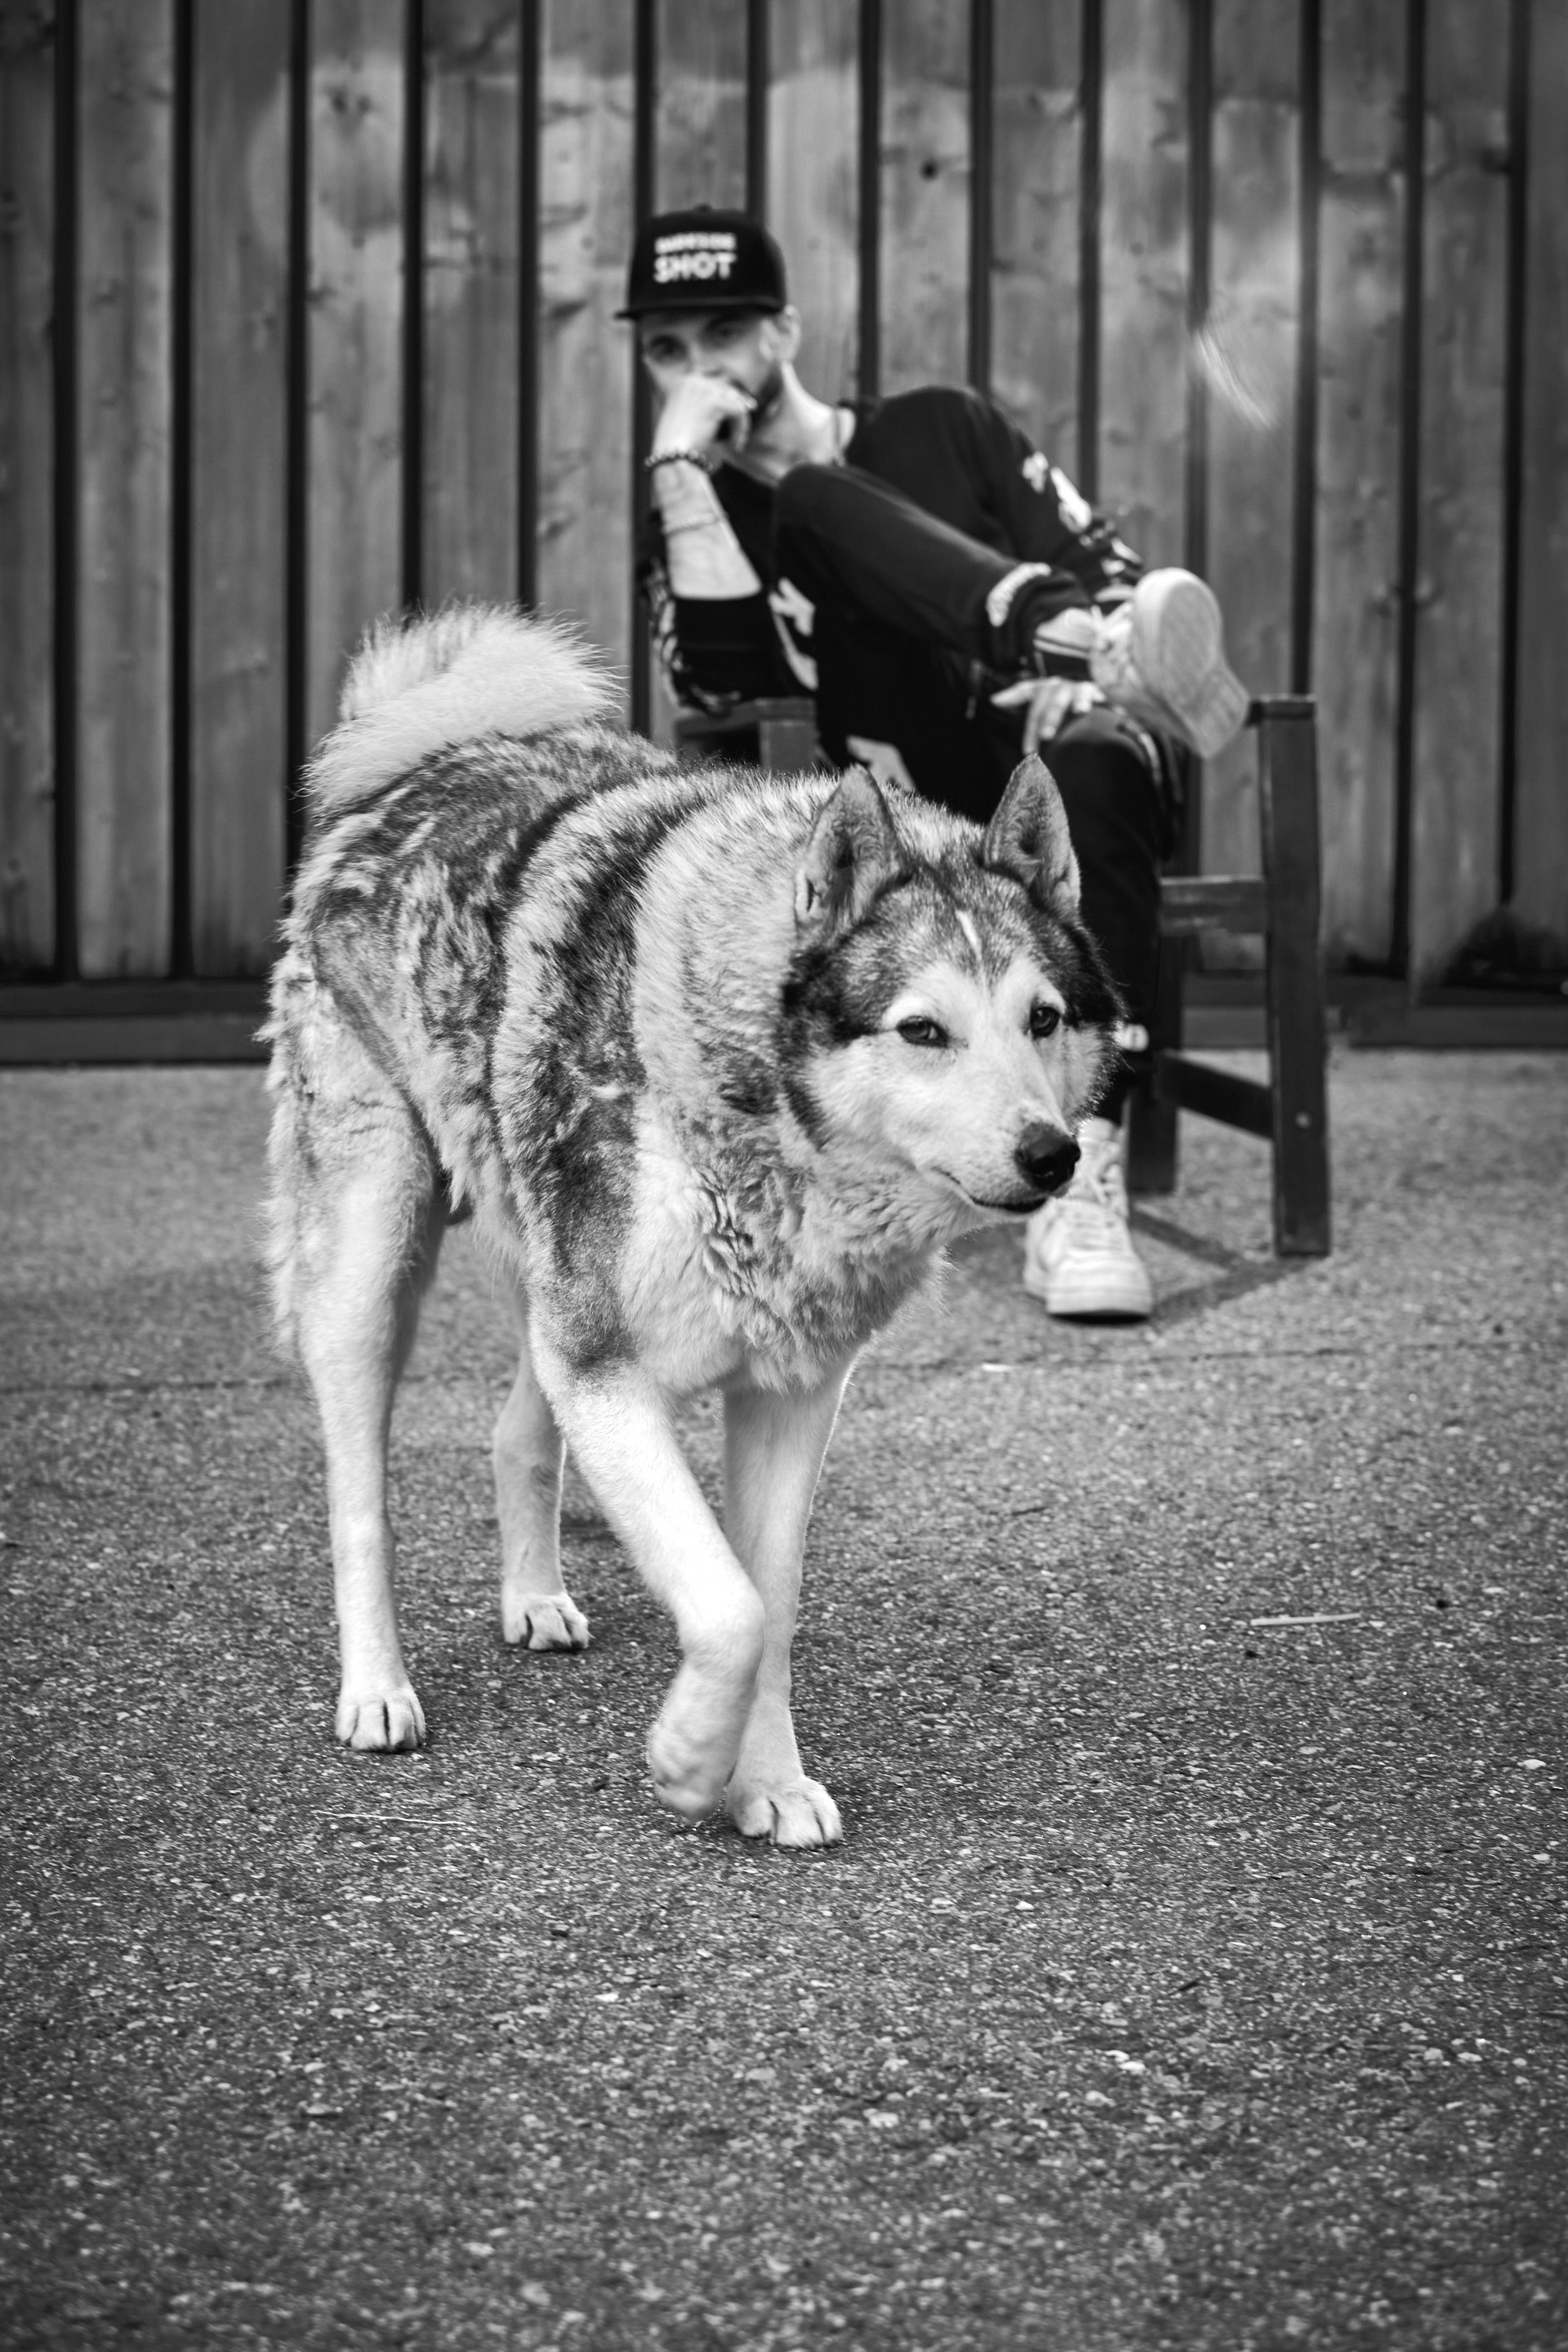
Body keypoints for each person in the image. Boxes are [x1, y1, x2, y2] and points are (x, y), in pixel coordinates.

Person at [622, 208, 1248, 1320]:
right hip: (896, 820)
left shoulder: (943, 428)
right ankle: (1060, 635)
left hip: (1056, 761)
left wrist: (1101, 661)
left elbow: (1122, 575)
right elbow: (720, 685)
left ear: (787, 330)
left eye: (724, 332)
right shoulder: (695, 507)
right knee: (810, 497)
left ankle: (1080, 1178)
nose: (699, 366)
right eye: (667, 350)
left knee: (1097, 752)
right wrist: (680, 469)